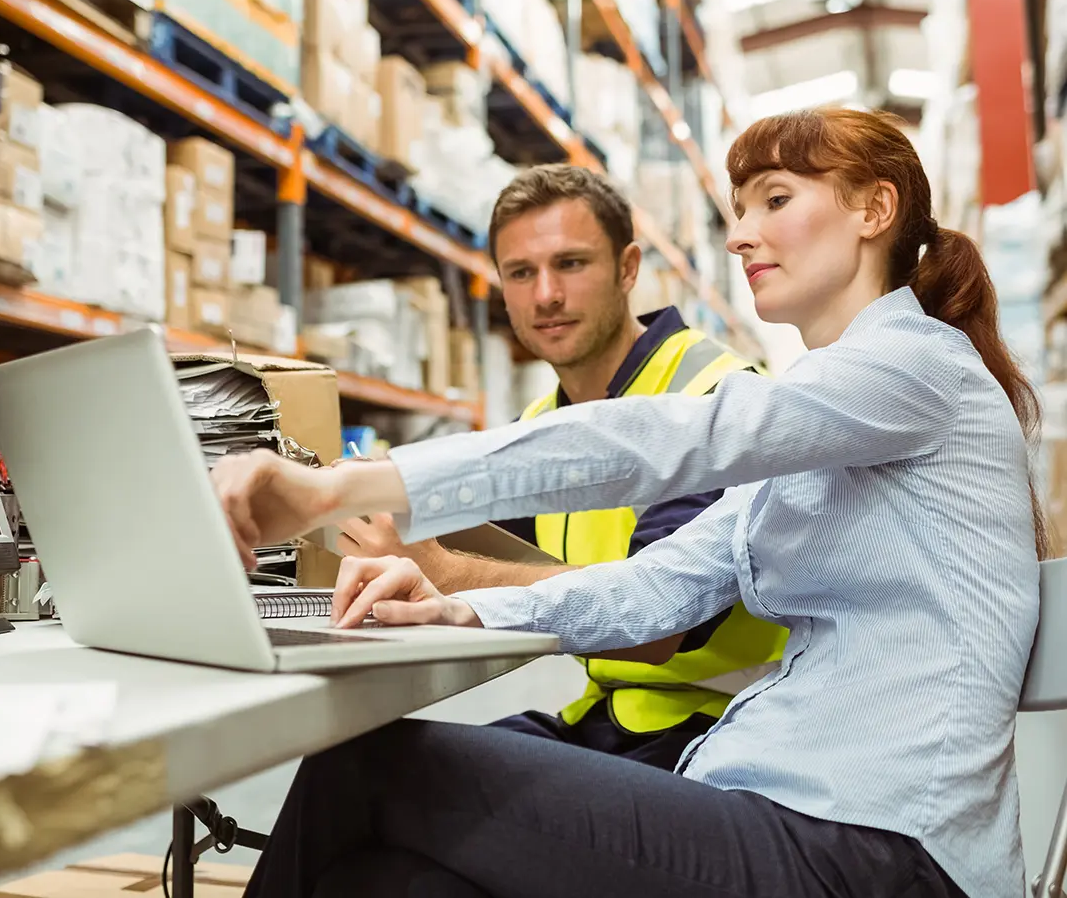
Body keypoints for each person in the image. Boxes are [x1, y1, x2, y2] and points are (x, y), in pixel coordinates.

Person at [216, 108, 1044, 898]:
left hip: (881, 851)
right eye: (738, 209)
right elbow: (659, 586)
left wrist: (340, 485)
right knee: (395, 887)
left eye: (776, 200)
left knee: (363, 766)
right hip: (775, 809)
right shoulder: (823, 427)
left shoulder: (915, 369)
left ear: (876, 209)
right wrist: (460, 611)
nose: (739, 234)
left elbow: (656, 439)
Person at [333, 163, 786, 771]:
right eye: (521, 273)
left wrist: (442, 571)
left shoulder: (715, 398)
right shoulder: (542, 422)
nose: (545, 294)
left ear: (628, 269)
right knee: (356, 768)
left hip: (719, 733)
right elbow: (478, 545)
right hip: (609, 716)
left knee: (385, 784)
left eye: (570, 264)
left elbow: (656, 629)